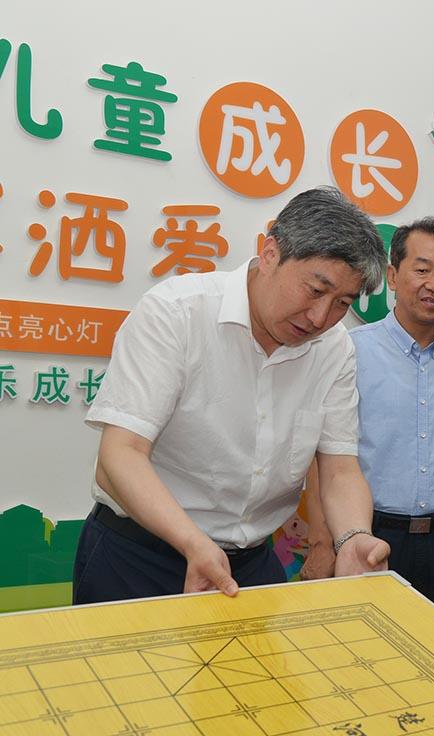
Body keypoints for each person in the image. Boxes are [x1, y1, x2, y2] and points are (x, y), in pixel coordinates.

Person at [73, 186, 391, 604]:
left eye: (341, 303)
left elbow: (339, 470)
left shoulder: (334, 348)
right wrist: (192, 542)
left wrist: (353, 537)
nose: (320, 318)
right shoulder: (176, 312)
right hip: (139, 558)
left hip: (251, 564)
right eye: (315, 291)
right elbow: (121, 454)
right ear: (271, 253)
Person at [306, 218, 434, 619]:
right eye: (422, 269)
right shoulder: (350, 353)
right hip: (367, 536)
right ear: (393, 276)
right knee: (363, 651)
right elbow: (321, 457)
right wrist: (323, 543)